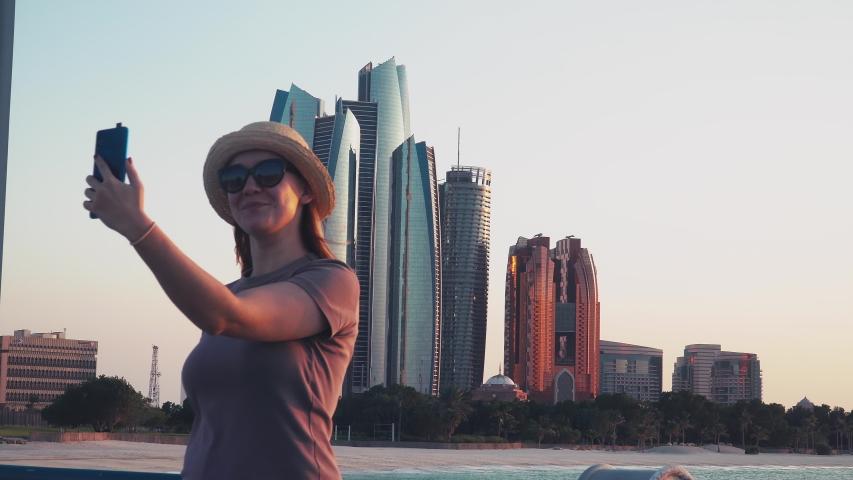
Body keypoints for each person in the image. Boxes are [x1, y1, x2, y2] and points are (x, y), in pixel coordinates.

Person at [83, 121, 359, 479]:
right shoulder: (225, 295)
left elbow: (228, 317)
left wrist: (138, 226)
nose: (250, 187)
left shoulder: (332, 281)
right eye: (235, 179)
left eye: (269, 173)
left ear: (306, 191)